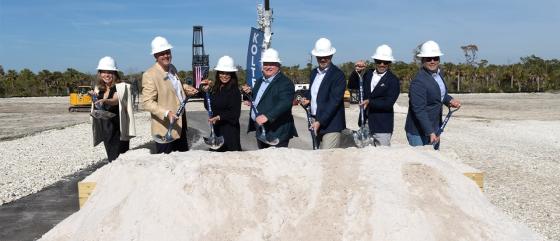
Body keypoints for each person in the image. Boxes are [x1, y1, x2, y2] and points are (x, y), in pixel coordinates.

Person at [142, 36, 198, 154]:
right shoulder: (150, 75)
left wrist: (187, 88)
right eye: (162, 53)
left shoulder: (172, 68)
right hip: (165, 129)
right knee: (166, 166)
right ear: (155, 56)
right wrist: (167, 113)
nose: (166, 55)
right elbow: (147, 103)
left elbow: (176, 87)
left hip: (180, 124)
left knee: (181, 162)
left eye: (167, 52)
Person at [405, 40, 461, 146]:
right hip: (419, 132)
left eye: (435, 58)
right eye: (428, 58)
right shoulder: (418, 81)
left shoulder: (439, 74)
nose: (432, 61)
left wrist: (449, 100)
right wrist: (430, 132)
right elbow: (419, 110)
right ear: (422, 60)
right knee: (422, 162)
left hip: (435, 127)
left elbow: (440, 94)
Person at [241, 48, 298, 149]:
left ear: (278, 65)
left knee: (277, 162)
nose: (268, 67)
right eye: (266, 63)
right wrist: (247, 93)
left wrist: (267, 116)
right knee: (264, 161)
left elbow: (285, 103)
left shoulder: (285, 83)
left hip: (277, 131)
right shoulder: (259, 81)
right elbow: (256, 99)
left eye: (272, 64)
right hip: (262, 130)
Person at [300, 37, 346, 149]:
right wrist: (306, 99)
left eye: (326, 56)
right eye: (320, 57)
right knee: (317, 156)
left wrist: (320, 121)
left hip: (331, 125)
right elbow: (313, 93)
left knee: (328, 159)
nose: (323, 59)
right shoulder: (314, 73)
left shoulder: (338, 75)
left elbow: (334, 102)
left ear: (331, 56)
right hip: (315, 121)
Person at [91, 56, 136, 161]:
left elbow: (116, 99)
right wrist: (94, 98)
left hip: (118, 129)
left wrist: (106, 100)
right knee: (111, 158)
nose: (106, 75)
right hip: (106, 129)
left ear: (115, 73)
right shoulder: (99, 88)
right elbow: (98, 106)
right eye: (103, 72)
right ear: (100, 73)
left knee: (119, 159)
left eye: (109, 72)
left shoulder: (120, 87)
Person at [360, 44, 401, 146]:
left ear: (389, 63)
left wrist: (370, 102)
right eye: (379, 61)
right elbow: (353, 85)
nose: (382, 64)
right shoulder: (367, 74)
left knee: (383, 156)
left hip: (382, 126)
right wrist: (357, 72)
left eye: (385, 62)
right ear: (375, 61)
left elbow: (388, 103)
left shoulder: (393, 80)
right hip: (365, 123)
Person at [200, 56, 242, 152]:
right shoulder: (216, 88)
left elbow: (235, 114)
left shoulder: (234, 91)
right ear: (218, 73)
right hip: (216, 130)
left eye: (228, 73)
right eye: (222, 73)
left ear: (232, 74)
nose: (224, 75)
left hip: (229, 133)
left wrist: (218, 117)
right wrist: (205, 92)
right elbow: (208, 106)